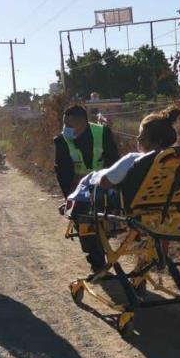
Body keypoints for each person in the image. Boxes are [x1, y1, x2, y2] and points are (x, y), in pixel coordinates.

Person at [54, 104, 119, 272]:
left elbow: (114, 162)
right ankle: (97, 263)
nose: (65, 129)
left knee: (106, 222)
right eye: (64, 124)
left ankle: (104, 244)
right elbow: (63, 173)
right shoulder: (62, 141)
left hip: (103, 185)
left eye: (69, 125)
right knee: (84, 222)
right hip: (79, 189)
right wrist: (69, 198)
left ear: (82, 123)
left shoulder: (102, 133)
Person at [68, 106, 180, 204]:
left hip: (123, 199)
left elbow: (104, 182)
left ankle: (71, 204)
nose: (138, 138)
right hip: (163, 200)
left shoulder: (134, 159)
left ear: (158, 141)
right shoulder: (177, 161)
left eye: (142, 135)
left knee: (86, 183)